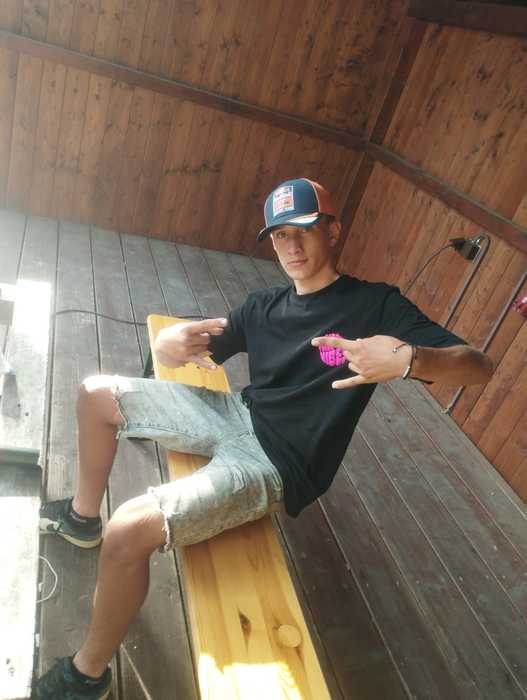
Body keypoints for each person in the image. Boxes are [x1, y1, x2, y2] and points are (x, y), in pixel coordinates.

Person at [35, 178, 493, 699]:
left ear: (333, 231)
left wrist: (411, 359)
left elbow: (478, 366)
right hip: (238, 413)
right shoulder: (264, 305)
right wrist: (167, 346)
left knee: (128, 529)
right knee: (95, 393)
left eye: (304, 230)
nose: (291, 246)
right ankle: (81, 518)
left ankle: (87, 675)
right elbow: (197, 348)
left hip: (278, 462)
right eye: (279, 235)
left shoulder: (376, 306)